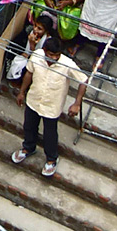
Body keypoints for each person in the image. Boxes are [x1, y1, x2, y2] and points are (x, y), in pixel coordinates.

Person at [11, 35, 87, 177]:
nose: (54, 58)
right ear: (45, 51)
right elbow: (29, 73)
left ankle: (52, 159)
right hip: (34, 99)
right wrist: (21, 92)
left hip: (52, 106)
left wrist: (77, 104)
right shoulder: (37, 56)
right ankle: (28, 148)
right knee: (29, 126)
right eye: (51, 55)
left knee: (50, 134)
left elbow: (83, 81)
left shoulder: (67, 64)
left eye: (57, 55)